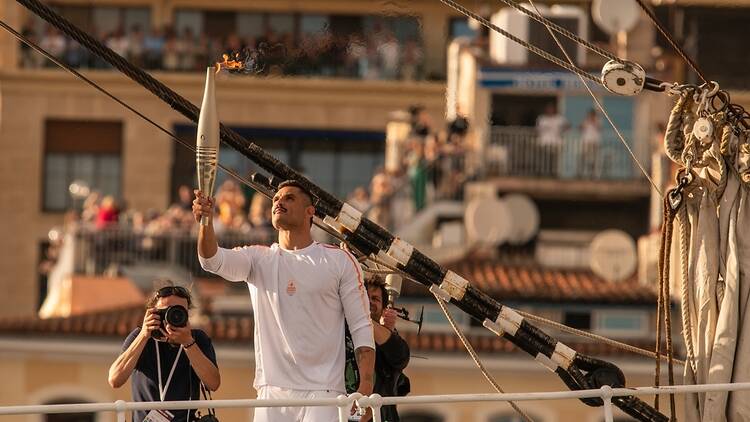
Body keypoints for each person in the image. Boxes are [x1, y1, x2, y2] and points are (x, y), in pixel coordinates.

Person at [193, 180, 375, 422]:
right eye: (276, 199)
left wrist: (365, 388)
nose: (279, 202)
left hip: (325, 392)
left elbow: (361, 326)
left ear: (310, 212)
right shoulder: (258, 258)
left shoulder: (340, 261)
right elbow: (211, 260)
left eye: (289, 198)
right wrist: (206, 221)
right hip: (271, 392)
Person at [108, 284, 220, 422]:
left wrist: (188, 343)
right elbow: (115, 379)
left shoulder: (197, 339)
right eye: (166, 311)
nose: (172, 316)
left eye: (179, 311)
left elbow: (213, 383)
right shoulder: (140, 337)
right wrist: (144, 335)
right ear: (153, 312)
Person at [346, 275, 410, 422]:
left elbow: (401, 357)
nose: (368, 301)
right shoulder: (339, 335)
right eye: (363, 296)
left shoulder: (393, 345)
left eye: (375, 299)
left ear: (383, 309)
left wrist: (360, 318)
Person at [535, 102, 569, 177]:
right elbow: (537, 129)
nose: (550, 110)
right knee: (544, 159)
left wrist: (561, 130)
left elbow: (568, 126)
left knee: (554, 160)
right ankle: (543, 173)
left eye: (552, 109)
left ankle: (553, 174)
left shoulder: (559, 118)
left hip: (556, 143)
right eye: (549, 109)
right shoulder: (542, 118)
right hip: (544, 143)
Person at [578, 108, 602, 178]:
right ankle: (580, 172)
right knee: (583, 157)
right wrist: (586, 122)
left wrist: (593, 122)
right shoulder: (585, 121)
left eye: (592, 114)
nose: (590, 116)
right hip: (586, 142)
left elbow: (599, 128)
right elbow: (580, 128)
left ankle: (593, 174)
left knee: (594, 159)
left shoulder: (597, 121)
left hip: (594, 142)